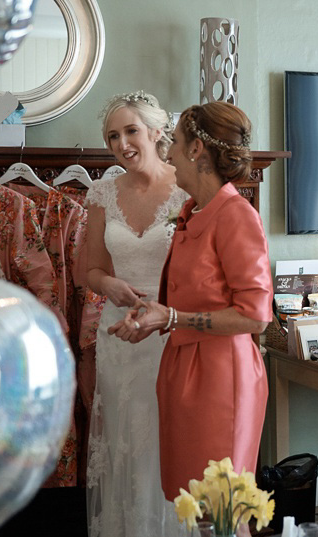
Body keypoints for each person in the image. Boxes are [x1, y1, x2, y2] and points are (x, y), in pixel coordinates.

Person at [108, 102, 272, 517]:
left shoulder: (236, 215)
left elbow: (255, 315)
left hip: (222, 377)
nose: (168, 152)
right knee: (195, 507)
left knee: (222, 509)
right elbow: (187, 296)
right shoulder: (190, 213)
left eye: (176, 142)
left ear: (197, 149)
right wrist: (152, 313)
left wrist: (174, 318)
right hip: (183, 370)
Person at [83, 91, 188, 537]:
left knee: (169, 442)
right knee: (126, 444)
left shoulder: (188, 189)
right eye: (112, 136)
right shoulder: (102, 192)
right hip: (119, 335)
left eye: (130, 131)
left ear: (156, 131)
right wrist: (107, 284)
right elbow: (86, 269)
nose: (121, 143)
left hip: (171, 332)